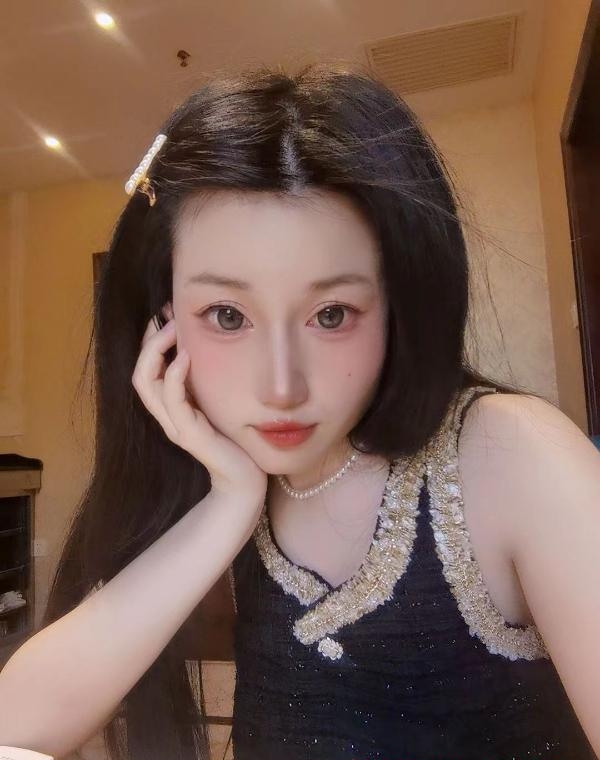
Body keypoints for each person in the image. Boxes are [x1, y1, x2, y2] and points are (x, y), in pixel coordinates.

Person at [0, 61, 598, 760]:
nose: (281, 387)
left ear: (397, 303)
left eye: (332, 313)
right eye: (227, 315)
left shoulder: (510, 456)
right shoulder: (222, 481)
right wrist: (230, 502)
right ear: (164, 325)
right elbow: (15, 727)